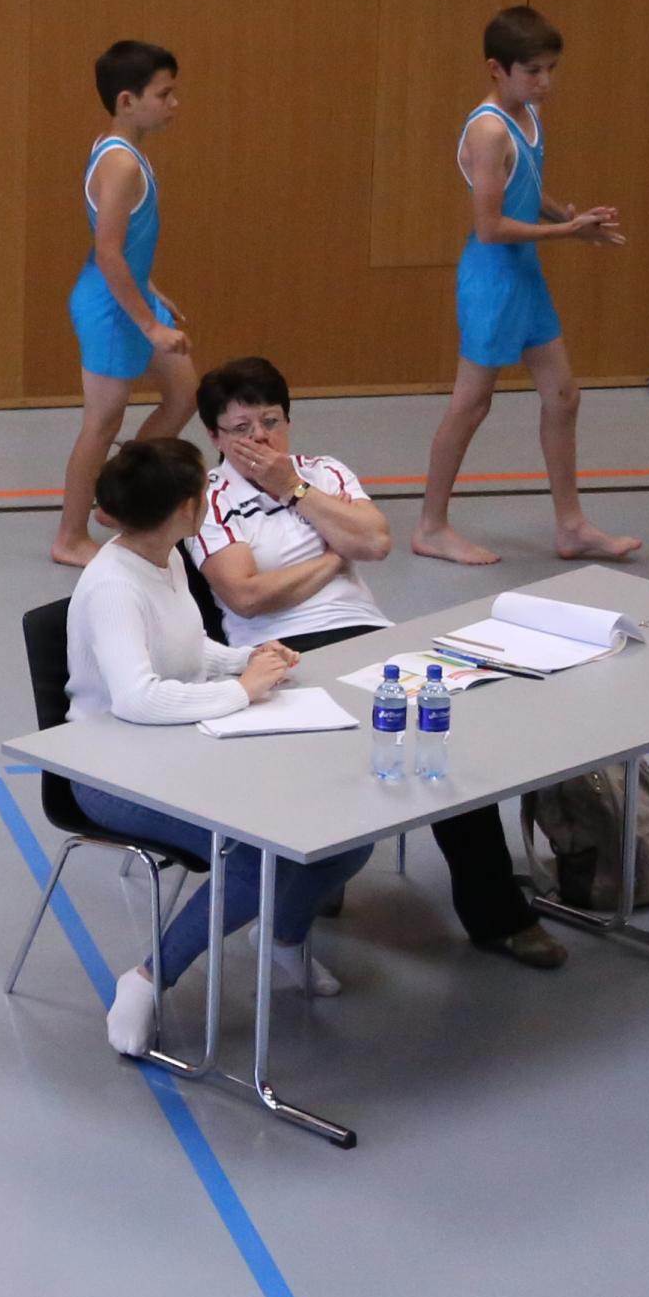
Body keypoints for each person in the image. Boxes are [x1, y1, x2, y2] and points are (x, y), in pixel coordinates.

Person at [192, 357, 561, 970]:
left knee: (439, 741)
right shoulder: (208, 497)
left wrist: (295, 490)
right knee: (355, 742)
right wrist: (334, 557)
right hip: (282, 650)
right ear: (215, 437)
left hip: (371, 635)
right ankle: (324, 868)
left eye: (271, 422)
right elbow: (247, 595)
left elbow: (377, 541)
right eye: (241, 429)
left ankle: (496, 914)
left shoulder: (325, 472)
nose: (260, 439)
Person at [59, 436, 372, 1057]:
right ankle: (147, 979)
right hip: (109, 774)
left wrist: (245, 660)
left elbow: (186, 647)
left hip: (178, 748)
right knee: (255, 856)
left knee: (345, 835)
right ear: (185, 508)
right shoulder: (114, 586)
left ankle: (282, 939)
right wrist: (243, 692)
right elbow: (137, 698)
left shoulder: (166, 557)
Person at [416, 6, 634, 567]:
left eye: (551, 69)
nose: (545, 82)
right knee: (471, 403)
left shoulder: (529, 116)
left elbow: (524, 190)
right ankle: (431, 527)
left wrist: (569, 217)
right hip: (493, 278)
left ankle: (572, 526)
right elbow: (490, 227)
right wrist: (567, 232)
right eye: (533, 71)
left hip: (525, 274)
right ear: (497, 69)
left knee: (563, 395)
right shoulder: (489, 130)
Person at [51, 41, 196, 567]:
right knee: (102, 423)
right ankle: (71, 537)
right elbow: (108, 252)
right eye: (164, 94)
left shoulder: (124, 150)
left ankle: (119, 499)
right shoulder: (120, 165)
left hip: (129, 296)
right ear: (127, 101)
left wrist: (148, 286)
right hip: (111, 310)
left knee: (183, 394)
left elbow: (124, 243)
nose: (174, 103)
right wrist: (150, 325)